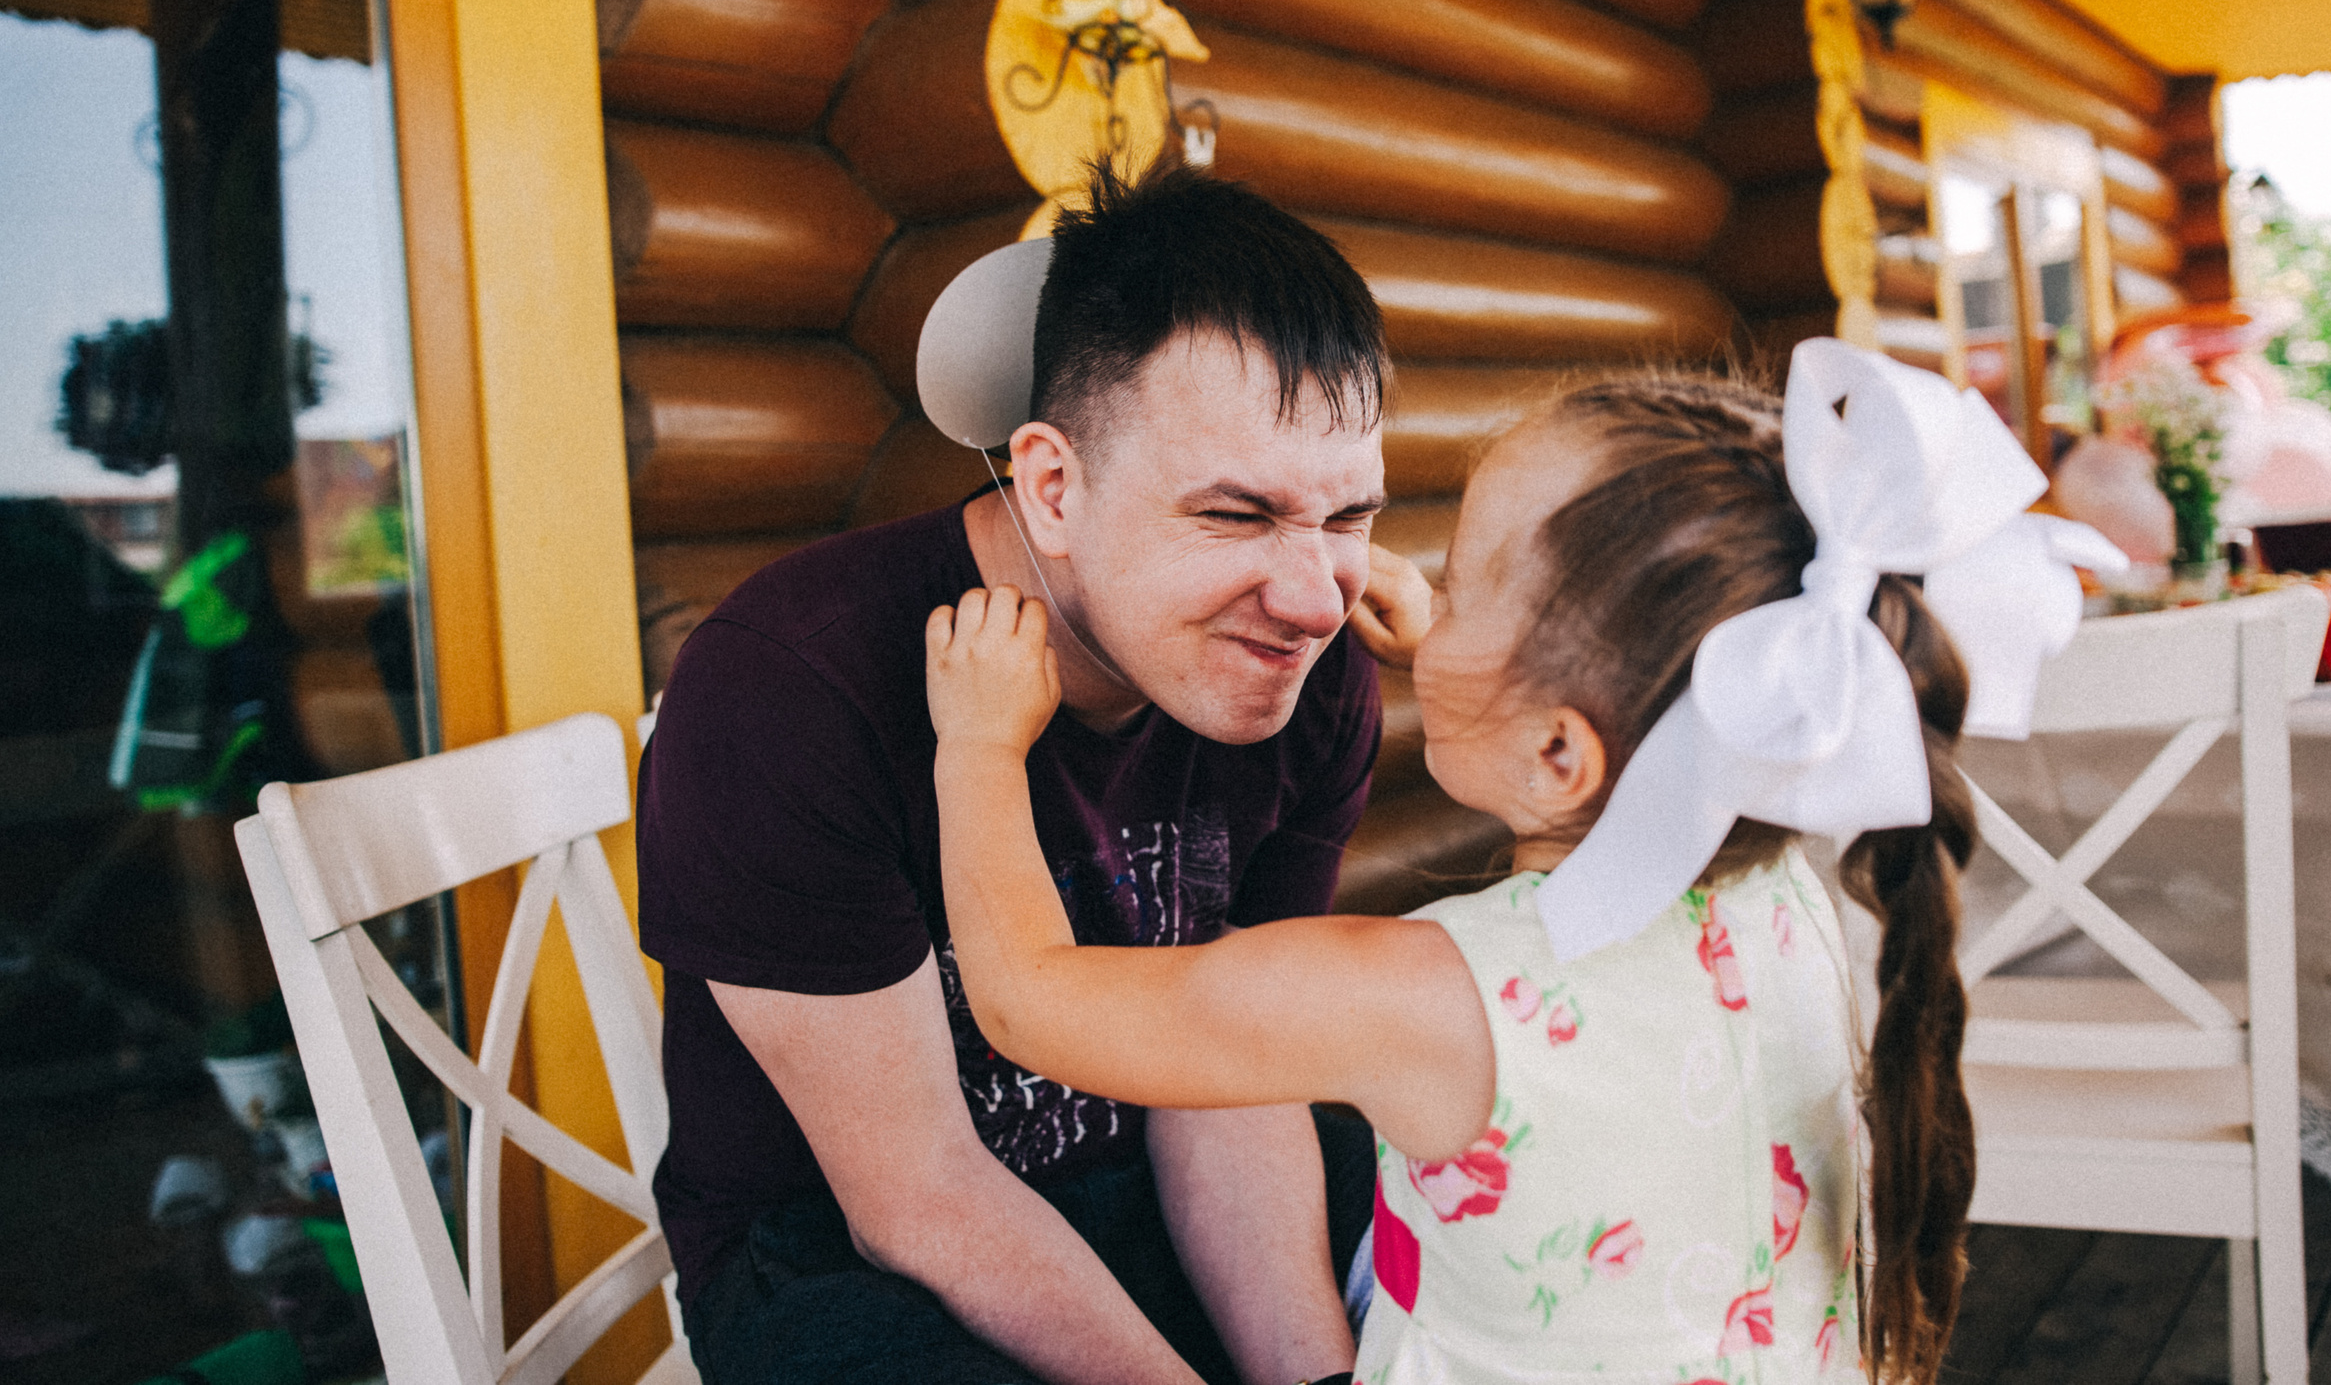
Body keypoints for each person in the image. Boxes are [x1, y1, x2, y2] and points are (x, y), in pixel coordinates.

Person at [926, 342, 2111, 1385]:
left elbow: (1033, 1002)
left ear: (1560, 748)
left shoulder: (1433, 998)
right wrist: (1467, 651)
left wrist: (981, 747)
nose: (1400, 590)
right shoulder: (1785, 896)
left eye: (1472, 580)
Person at [637, 164, 1433, 1385]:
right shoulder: (789, 691)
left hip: (1155, 1188)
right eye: (1236, 516)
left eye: (1347, 518)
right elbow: (915, 1200)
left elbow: (1224, 1072)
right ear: (1053, 487)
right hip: (851, 1263)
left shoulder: (1311, 677)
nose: (1314, 598)